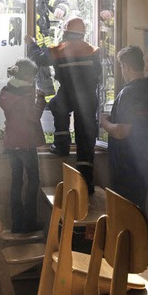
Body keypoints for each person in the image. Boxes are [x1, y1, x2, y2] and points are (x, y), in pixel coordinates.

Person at [26, 17, 101, 195]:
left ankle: (61, 145)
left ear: (66, 32)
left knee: (57, 106)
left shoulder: (60, 49)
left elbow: (39, 59)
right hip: (88, 96)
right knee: (85, 139)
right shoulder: (92, 50)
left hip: (68, 92)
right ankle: (86, 184)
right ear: (82, 34)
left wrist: (31, 44)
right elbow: (98, 73)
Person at [0, 0, 70, 95]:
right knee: (15, 76)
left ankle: (45, 109)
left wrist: (61, 8)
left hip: (39, 47)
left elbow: (60, 2)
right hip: (15, 43)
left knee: (44, 83)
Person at [100, 45, 148, 210]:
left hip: (126, 165)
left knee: (125, 215)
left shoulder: (128, 93)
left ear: (125, 66)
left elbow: (121, 132)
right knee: (138, 211)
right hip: (145, 160)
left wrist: (104, 122)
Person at [0, 58, 46, 233]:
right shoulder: (26, 94)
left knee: (16, 183)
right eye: (33, 75)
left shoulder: (5, 91)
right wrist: (41, 99)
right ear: (27, 75)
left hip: (11, 142)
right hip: (26, 142)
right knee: (33, 182)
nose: (34, 79)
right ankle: (29, 222)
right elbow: (33, 117)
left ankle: (16, 223)